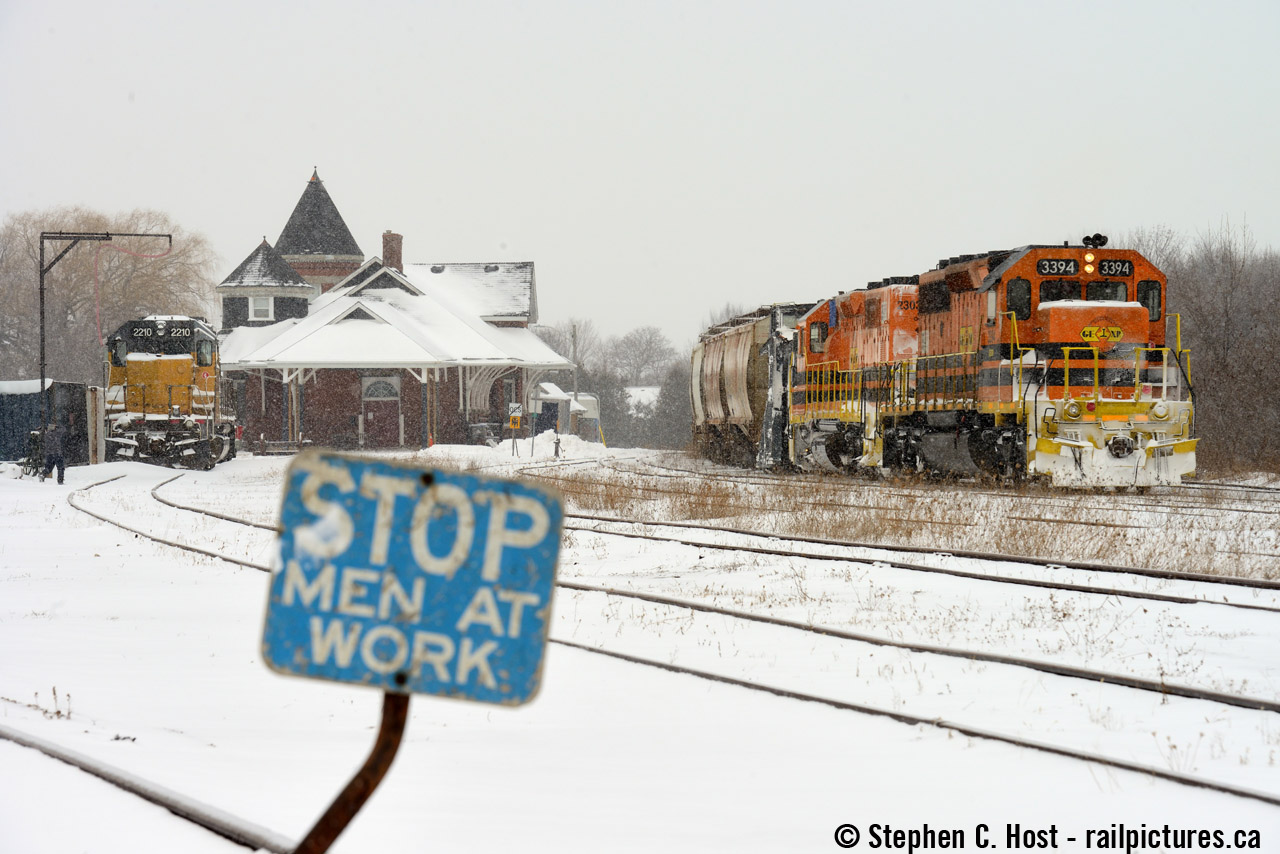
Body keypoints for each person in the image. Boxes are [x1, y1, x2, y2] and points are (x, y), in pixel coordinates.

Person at [41, 419, 67, 485]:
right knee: (60, 467)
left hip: (49, 453)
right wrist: (57, 426)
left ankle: (43, 474)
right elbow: (64, 429)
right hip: (57, 453)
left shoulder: (47, 434)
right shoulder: (57, 433)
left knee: (48, 468)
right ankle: (60, 480)